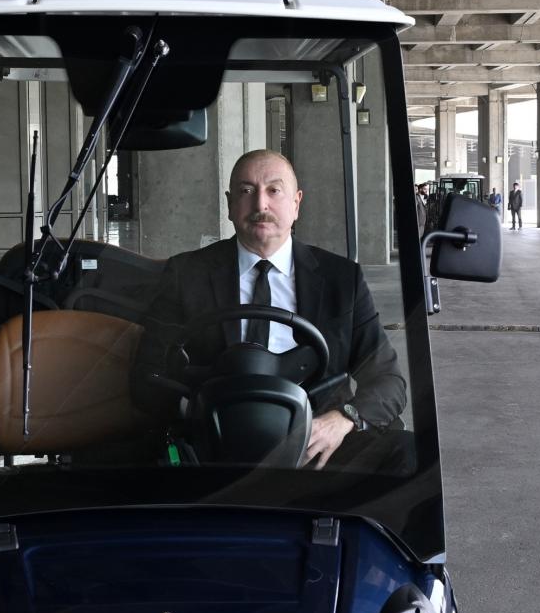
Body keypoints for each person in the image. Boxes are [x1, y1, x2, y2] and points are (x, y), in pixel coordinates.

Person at [132, 149, 407, 470]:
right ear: (230, 204)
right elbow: (146, 376)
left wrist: (342, 420)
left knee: (408, 455)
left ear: (296, 203)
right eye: (246, 191)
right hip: (213, 447)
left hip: (315, 445)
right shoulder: (186, 273)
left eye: (274, 190)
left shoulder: (342, 279)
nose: (260, 205)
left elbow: (388, 380)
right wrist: (198, 411)